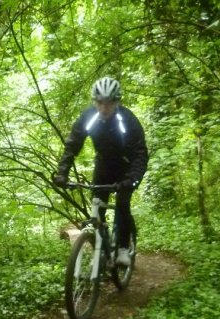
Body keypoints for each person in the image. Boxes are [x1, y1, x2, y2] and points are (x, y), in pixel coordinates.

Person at [53, 76, 149, 266]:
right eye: (100, 103)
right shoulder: (89, 117)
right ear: (95, 102)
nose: (104, 108)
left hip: (127, 166)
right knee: (97, 203)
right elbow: (73, 144)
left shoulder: (127, 119)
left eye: (109, 103)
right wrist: (62, 172)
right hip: (104, 164)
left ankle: (122, 248)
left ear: (117, 102)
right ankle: (102, 249)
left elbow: (140, 153)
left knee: (122, 203)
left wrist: (133, 179)